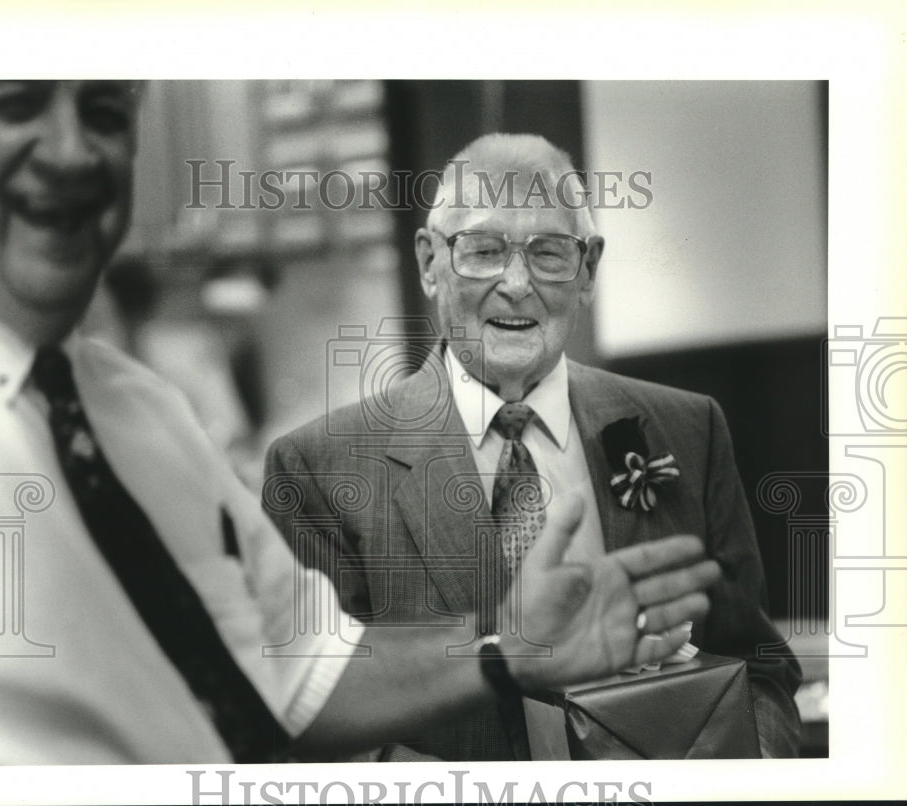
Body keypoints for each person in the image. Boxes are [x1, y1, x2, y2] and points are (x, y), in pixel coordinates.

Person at [0, 81, 719, 764]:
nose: (71, 152)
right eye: (16, 104)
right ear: (430, 265)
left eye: (107, 114)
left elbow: (299, 667)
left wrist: (507, 647)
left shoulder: (144, 413)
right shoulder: (316, 463)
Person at [264, 133, 802, 761]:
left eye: (549, 252)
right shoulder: (319, 470)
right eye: (484, 250)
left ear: (589, 269)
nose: (517, 284)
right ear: (429, 263)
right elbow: (309, 727)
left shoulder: (686, 427)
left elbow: (760, 671)